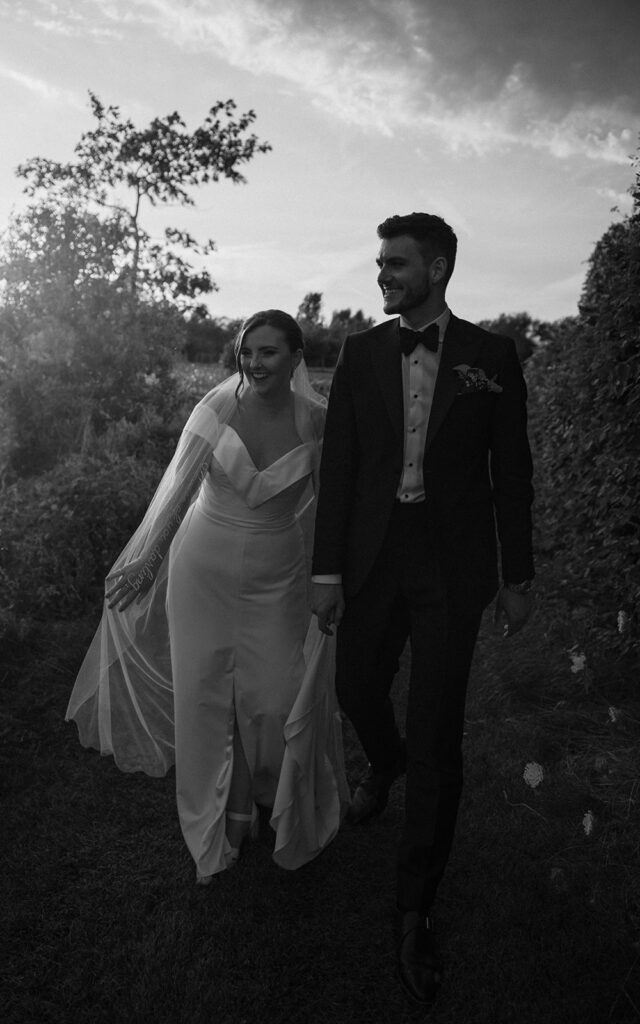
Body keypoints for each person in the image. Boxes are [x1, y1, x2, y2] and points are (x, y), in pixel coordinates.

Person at [311, 214, 534, 1005]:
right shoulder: (361, 352)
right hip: (371, 557)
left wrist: (518, 576)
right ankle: (386, 756)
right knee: (354, 688)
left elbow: (512, 472)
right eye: (380, 263)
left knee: (439, 732)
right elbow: (339, 466)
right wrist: (326, 571)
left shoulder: (491, 357)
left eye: (397, 263)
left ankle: (414, 908)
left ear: (436, 268)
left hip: (453, 565)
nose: (383, 274)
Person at [67, 310, 348, 884]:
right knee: (204, 694)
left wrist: (330, 578)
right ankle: (226, 813)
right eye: (248, 351)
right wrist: (149, 558)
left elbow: (330, 510)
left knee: (270, 698)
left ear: (297, 357)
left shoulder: (318, 420)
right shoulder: (215, 408)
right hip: (204, 566)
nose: (255, 362)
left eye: (269, 352)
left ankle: (266, 790)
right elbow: (181, 487)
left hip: (278, 573)